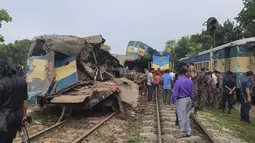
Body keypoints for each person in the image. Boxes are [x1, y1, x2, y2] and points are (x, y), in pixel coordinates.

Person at [0, 58, 28, 143]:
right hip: (16, 117)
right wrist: (24, 116)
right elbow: (24, 102)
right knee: (8, 140)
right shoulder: (21, 81)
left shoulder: (1, 82)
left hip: (3, 119)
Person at [171, 67, 194, 137]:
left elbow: (175, 93)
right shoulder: (190, 81)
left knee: (181, 116)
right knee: (187, 116)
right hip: (189, 99)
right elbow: (192, 92)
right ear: (185, 73)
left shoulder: (178, 81)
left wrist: (172, 102)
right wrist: (193, 101)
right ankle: (188, 131)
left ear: (178, 73)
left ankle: (183, 132)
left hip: (181, 100)